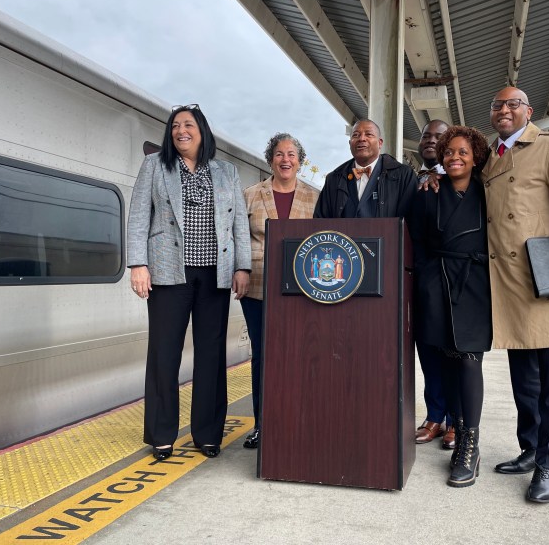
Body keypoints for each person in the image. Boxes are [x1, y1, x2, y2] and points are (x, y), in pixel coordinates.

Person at [483, 87, 549, 503]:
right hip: (510, 285)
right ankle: (529, 448)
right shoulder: (491, 157)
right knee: (523, 380)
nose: (505, 110)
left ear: (529, 111)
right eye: (498, 105)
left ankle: (548, 465)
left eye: (513, 104)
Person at [128, 104, 251, 461]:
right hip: (168, 272)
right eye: (175, 125)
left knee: (212, 355)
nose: (181, 130)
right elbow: (138, 216)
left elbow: (238, 225)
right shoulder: (154, 166)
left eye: (189, 125)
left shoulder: (226, 171)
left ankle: (208, 433)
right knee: (164, 353)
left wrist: (242, 268)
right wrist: (138, 263)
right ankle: (162, 434)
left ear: (202, 131)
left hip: (215, 273)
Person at [407, 126, 492, 488]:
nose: (455, 158)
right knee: (445, 359)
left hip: (476, 283)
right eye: (448, 153)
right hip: (437, 282)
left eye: (462, 152)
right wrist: (426, 281)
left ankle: (468, 443)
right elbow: (418, 241)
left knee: (469, 361)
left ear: (476, 157)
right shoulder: (429, 192)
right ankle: (453, 426)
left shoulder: (490, 190)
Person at [240, 133, 319, 449]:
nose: (285, 159)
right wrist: (240, 270)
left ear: (300, 161)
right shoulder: (249, 194)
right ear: (270, 159)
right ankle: (262, 424)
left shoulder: (315, 197)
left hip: (301, 291)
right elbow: (237, 237)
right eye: (279, 154)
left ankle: (298, 420)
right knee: (262, 356)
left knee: (299, 356)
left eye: (291, 154)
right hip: (257, 287)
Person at [412, 120, 457, 449]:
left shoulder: (461, 177)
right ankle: (435, 416)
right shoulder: (413, 180)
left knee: (452, 352)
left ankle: (457, 420)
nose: (430, 141)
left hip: (453, 279)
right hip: (420, 278)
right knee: (427, 350)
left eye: (438, 136)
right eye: (426, 136)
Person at [314, 119, 416, 219]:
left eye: (369, 134)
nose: (361, 139)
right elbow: (321, 223)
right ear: (350, 144)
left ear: (380, 143)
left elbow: (410, 222)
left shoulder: (404, 175)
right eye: (356, 135)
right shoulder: (334, 179)